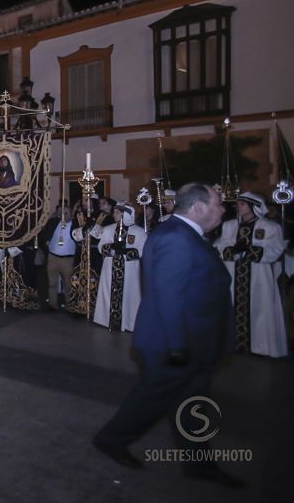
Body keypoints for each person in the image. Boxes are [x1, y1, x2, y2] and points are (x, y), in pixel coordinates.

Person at [93, 183, 242, 488]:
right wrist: (177, 345)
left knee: (192, 405)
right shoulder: (176, 237)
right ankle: (111, 438)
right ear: (198, 208)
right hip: (173, 342)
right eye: (217, 203)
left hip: (193, 339)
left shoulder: (185, 234)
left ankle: (198, 464)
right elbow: (168, 295)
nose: (223, 209)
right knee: (153, 399)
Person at [215, 191, 288, 357]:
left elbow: (275, 249)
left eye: (242, 204)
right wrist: (231, 250)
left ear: (253, 206)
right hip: (234, 273)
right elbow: (221, 245)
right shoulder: (230, 226)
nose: (238, 207)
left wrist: (249, 251)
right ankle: (234, 344)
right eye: (237, 204)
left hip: (258, 275)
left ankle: (261, 346)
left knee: (260, 307)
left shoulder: (270, 227)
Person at [93, 203, 145, 332]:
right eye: (114, 211)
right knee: (109, 293)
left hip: (129, 270)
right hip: (110, 268)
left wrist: (125, 252)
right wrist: (112, 249)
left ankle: (129, 322)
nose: (114, 214)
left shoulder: (138, 231)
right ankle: (106, 320)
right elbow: (101, 246)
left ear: (124, 213)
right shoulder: (108, 229)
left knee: (129, 295)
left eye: (117, 212)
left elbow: (142, 250)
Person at [39, 205, 77, 311]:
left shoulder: (75, 225)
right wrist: (46, 243)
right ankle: (52, 304)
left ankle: (70, 305)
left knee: (68, 284)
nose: (63, 216)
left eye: (66, 213)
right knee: (52, 283)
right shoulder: (53, 223)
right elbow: (43, 234)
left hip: (68, 260)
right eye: (61, 213)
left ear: (71, 214)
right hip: (53, 258)